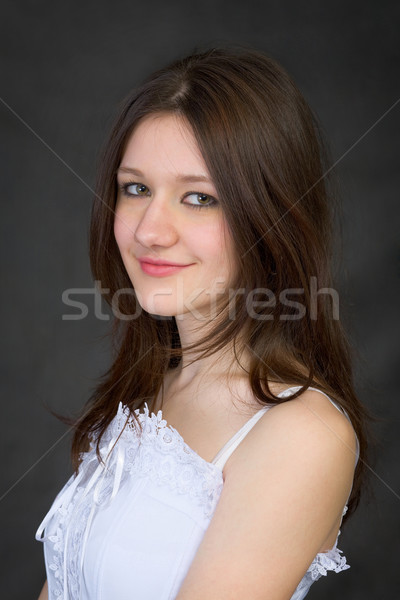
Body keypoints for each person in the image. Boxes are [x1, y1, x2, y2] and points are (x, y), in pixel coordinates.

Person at [36, 47, 368, 600]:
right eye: (136, 188)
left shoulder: (302, 434)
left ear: (270, 219)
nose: (150, 230)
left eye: (199, 198)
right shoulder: (149, 387)